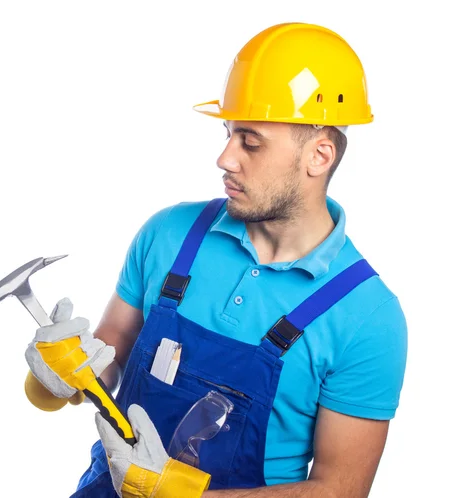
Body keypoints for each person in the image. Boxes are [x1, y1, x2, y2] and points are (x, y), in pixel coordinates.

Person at [23, 22, 408, 497]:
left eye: (250, 142)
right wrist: (63, 376)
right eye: (228, 134)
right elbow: (109, 355)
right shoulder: (169, 234)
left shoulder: (367, 317)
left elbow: (337, 491)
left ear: (319, 155)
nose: (225, 158)